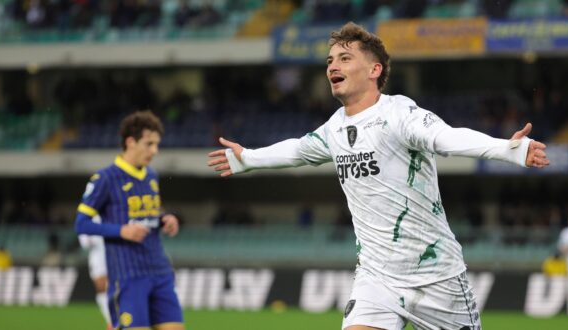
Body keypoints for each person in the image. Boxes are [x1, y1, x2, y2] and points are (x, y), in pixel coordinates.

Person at [208, 22, 550, 330]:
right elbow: (298, 150)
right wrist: (248, 159)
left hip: (437, 278)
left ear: (374, 69)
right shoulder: (334, 128)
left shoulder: (400, 114)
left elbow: (447, 137)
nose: (332, 66)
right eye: (329, 61)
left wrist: (507, 149)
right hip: (377, 278)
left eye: (343, 58)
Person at [75, 110, 184, 330]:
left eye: (156, 144)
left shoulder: (151, 176)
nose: (155, 150)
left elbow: (147, 215)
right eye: (149, 144)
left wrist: (164, 219)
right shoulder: (105, 178)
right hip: (128, 276)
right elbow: (81, 224)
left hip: (159, 271)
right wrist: (120, 231)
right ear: (130, 142)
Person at [78, 216, 113, 330]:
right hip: (98, 257)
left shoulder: (111, 213)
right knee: (101, 288)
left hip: (115, 255)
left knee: (115, 288)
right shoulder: (88, 218)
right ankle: (111, 321)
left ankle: (117, 319)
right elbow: (84, 243)